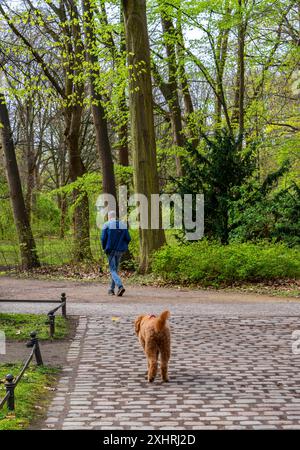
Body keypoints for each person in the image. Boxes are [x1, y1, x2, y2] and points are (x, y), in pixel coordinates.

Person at [101, 210, 131, 296]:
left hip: (110, 250)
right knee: (115, 270)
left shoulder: (106, 224)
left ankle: (120, 286)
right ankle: (111, 289)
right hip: (120, 251)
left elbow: (103, 238)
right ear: (115, 216)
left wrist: (104, 247)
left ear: (109, 217)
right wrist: (122, 245)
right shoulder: (123, 225)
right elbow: (128, 238)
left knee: (113, 270)